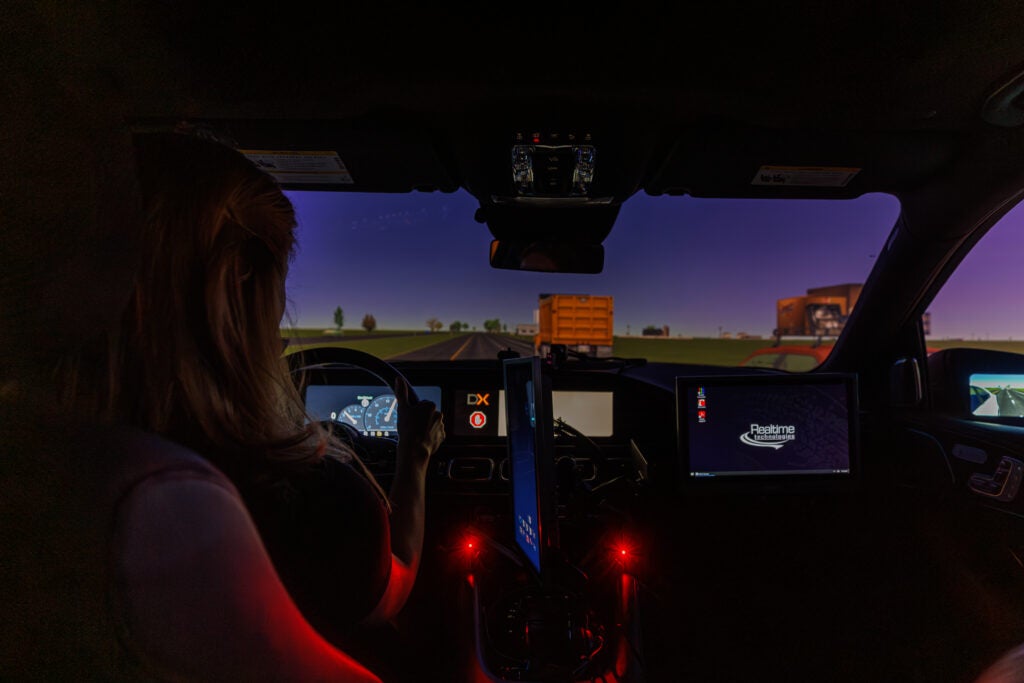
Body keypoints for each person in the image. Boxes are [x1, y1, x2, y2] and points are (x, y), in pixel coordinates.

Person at [124, 131, 445, 638]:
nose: (275, 340)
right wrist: (416, 459)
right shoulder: (314, 503)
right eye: (274, 309)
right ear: (237, 296)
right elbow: (395, 588)